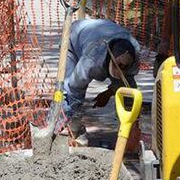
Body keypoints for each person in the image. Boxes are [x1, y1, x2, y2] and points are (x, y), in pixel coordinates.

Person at [60, 18, 142, 148]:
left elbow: (127, 84)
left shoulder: (135, 53)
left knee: (128, 91)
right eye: (118, 66)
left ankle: (129, 134)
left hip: (102, 33)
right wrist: (71, 119)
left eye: (124, 67)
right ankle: (72, 131)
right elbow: (75, 89)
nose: (120, 71)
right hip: (73, 38)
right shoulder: (91, 60)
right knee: (67, 89)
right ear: (110, 58)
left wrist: (109, 92)